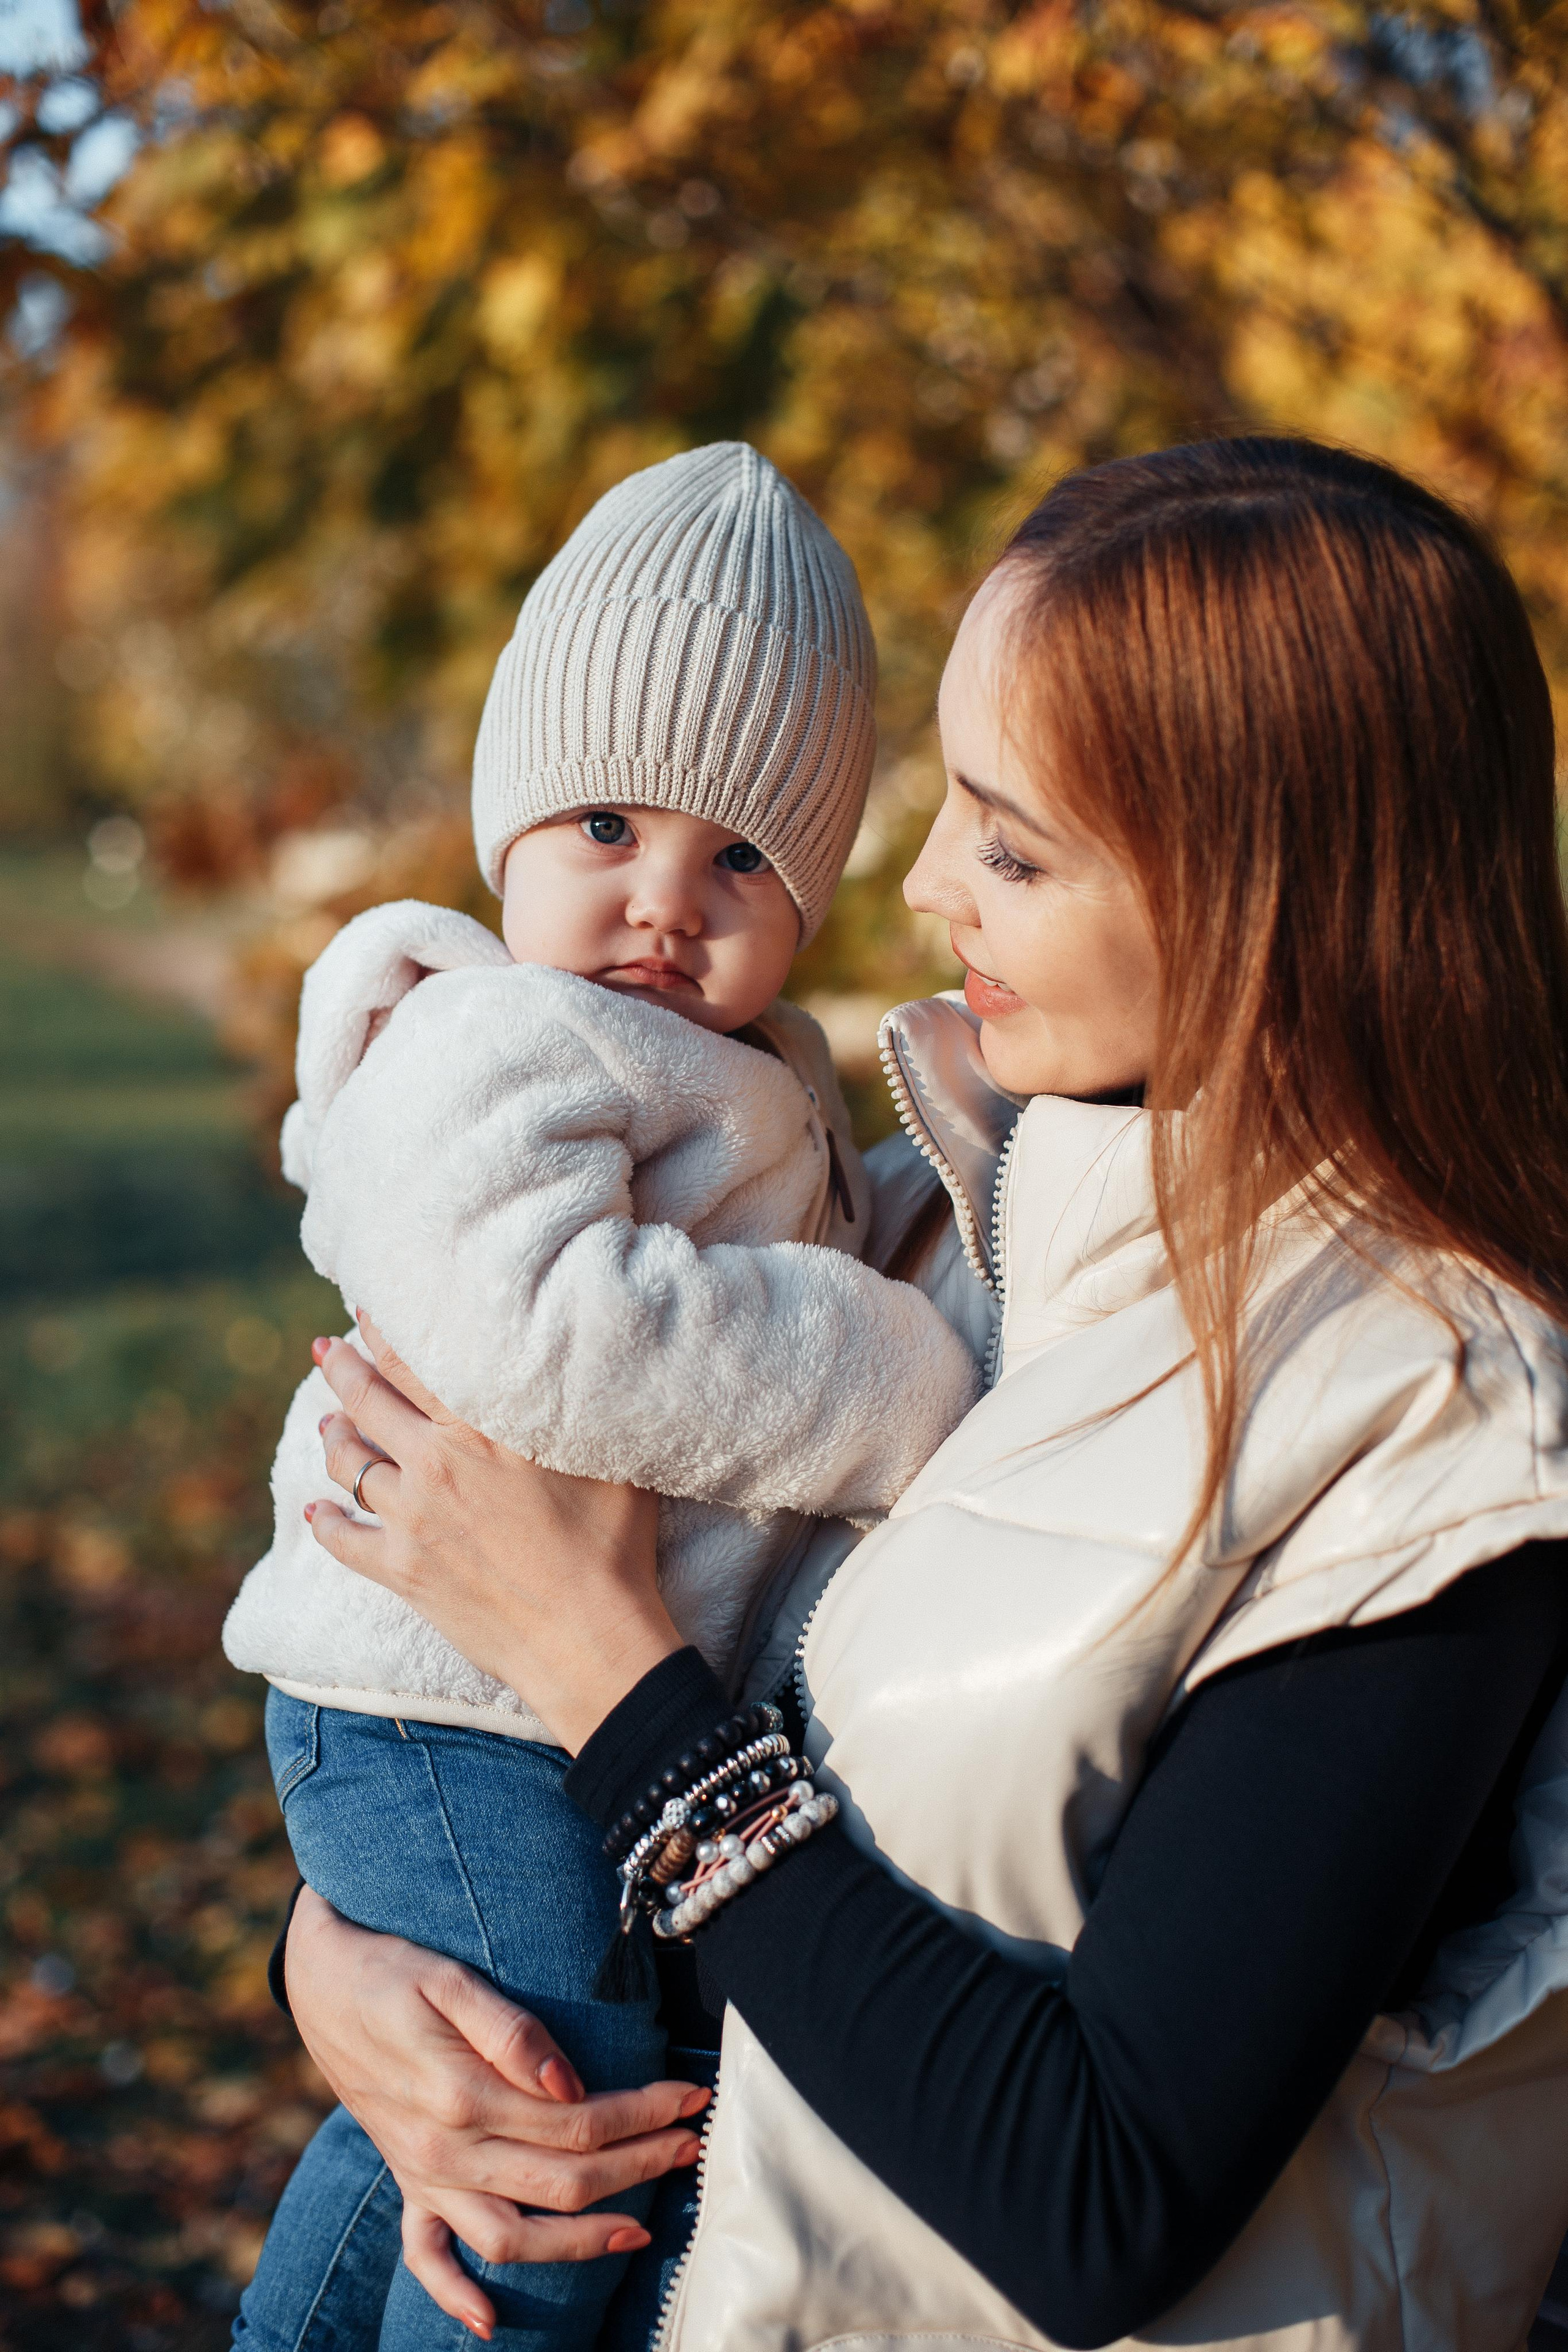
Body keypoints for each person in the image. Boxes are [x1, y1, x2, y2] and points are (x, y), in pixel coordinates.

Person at [285, 439, 1568, 2351]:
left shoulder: (1440, 1426)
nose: (926, 874)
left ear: (1266, 897)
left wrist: (597, 1673)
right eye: (956, 804)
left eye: (1016, 841)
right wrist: (364, 1967)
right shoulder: (1019, 1246)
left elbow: (1102, 2196)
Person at [223, 442, 984, 2352]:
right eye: (606, 828)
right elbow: (533, 1325)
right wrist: (889, 1376)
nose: (663, 899)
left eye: (740, 858)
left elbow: (829, 1228)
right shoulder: (500, 1037)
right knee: (556, 2140)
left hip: (513, 1709)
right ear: (505, 833)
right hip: (439, 1707)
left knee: (447, 2121)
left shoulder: (745, 1070)